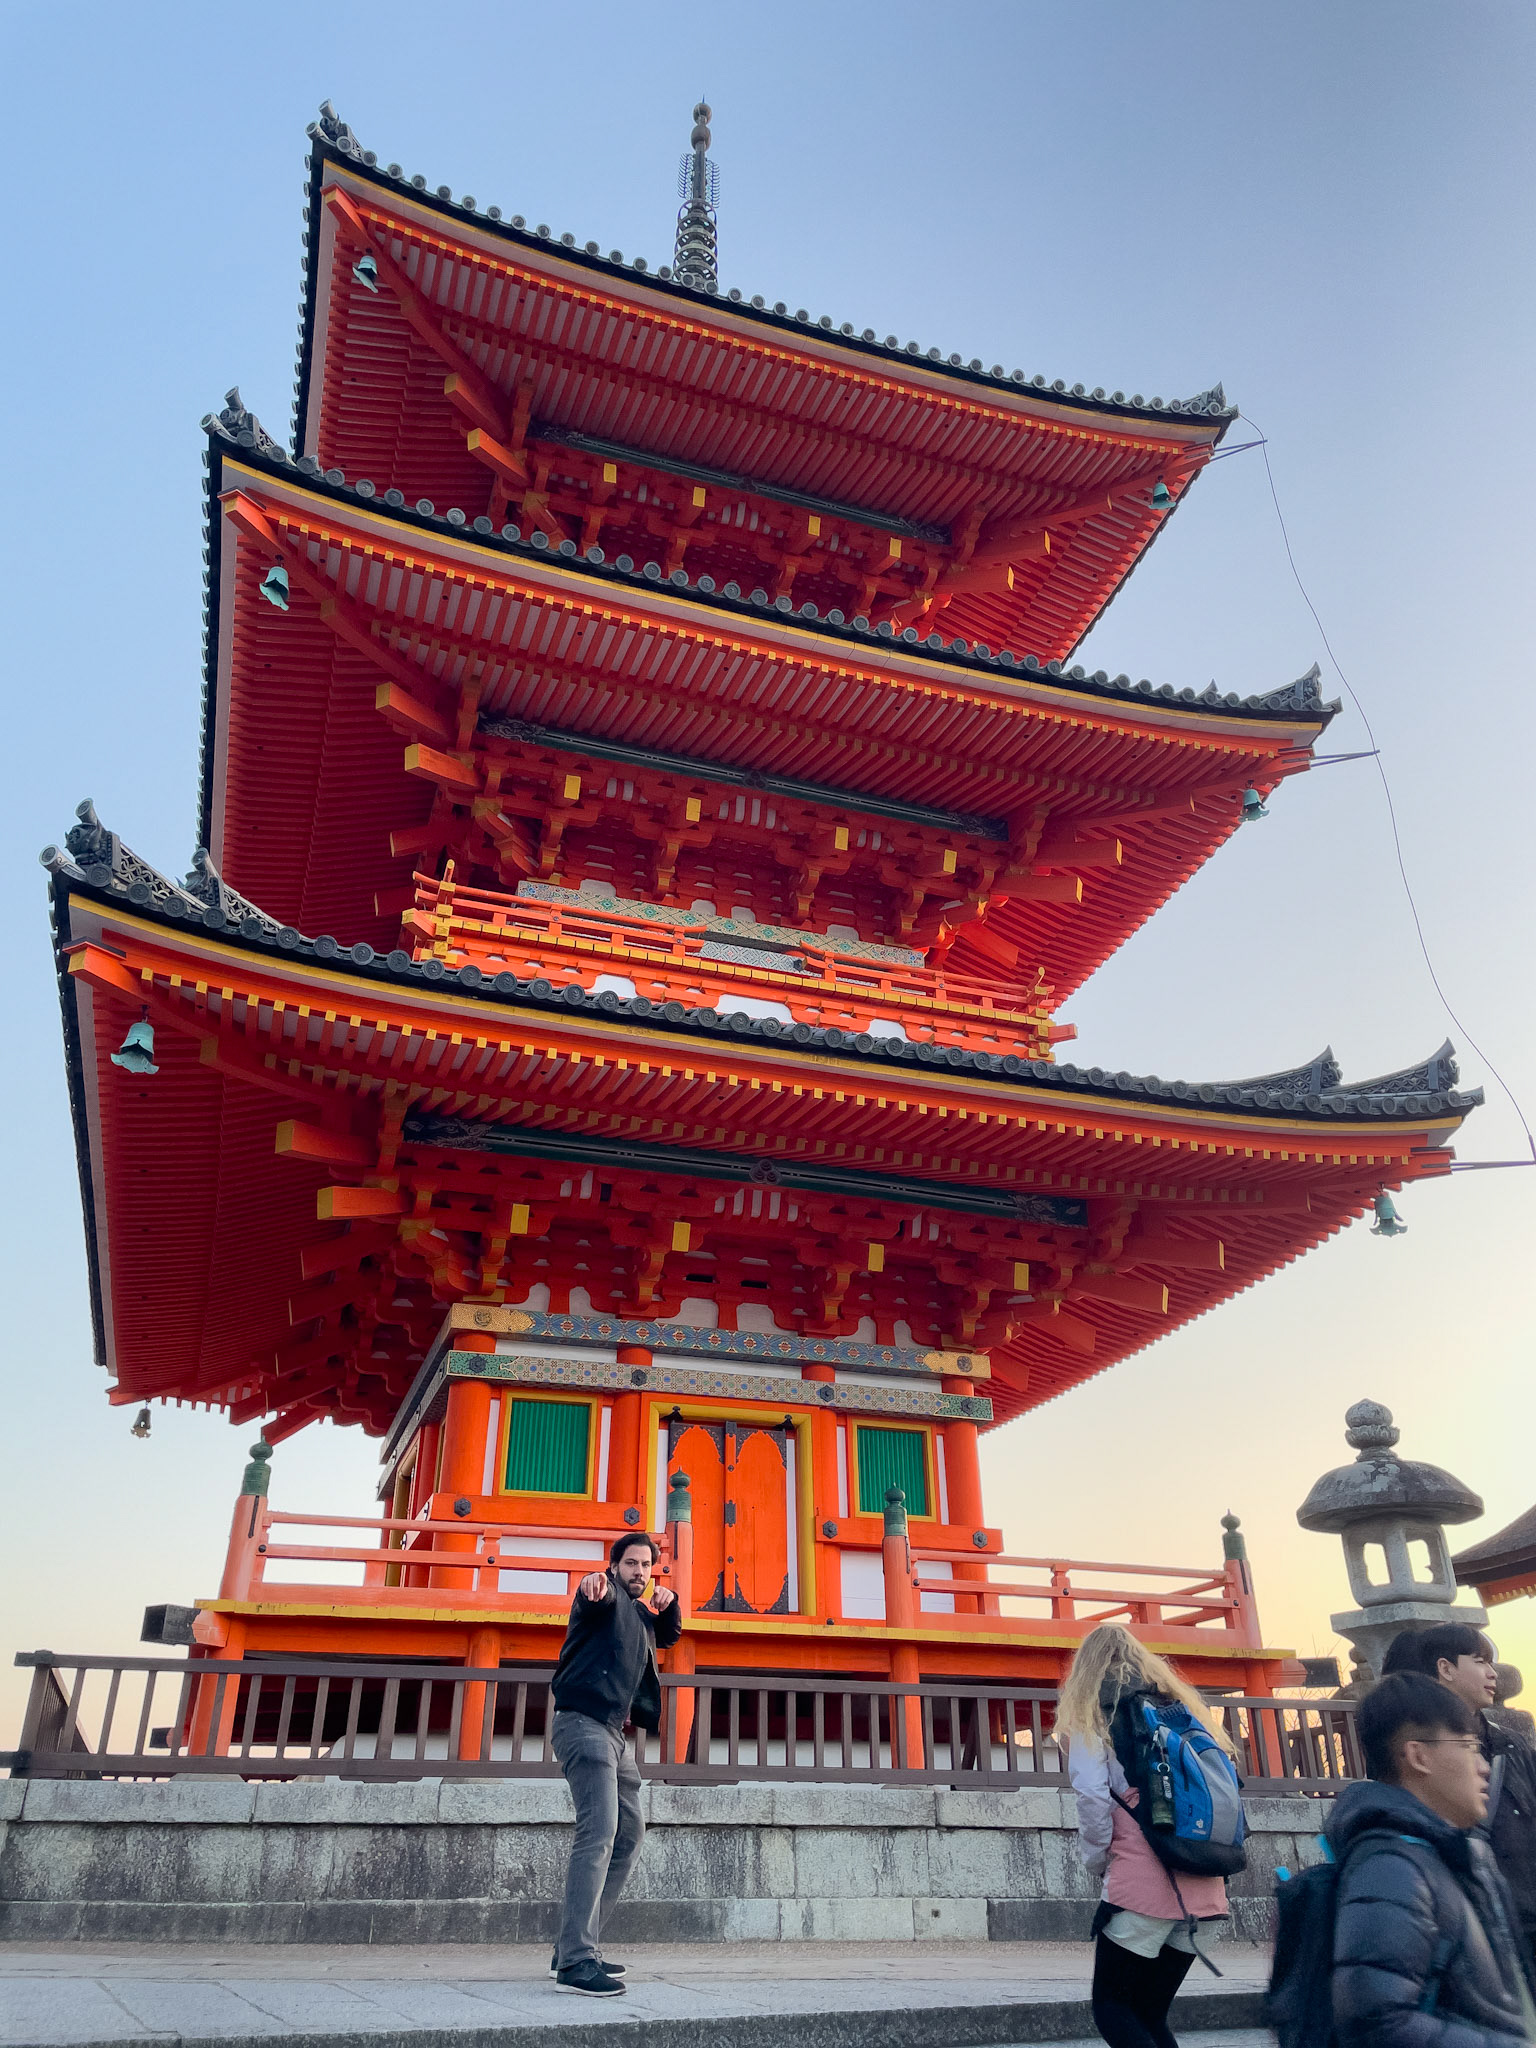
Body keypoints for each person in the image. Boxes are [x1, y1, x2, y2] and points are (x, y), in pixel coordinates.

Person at [1329, 1670, 1535, 2046]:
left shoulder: (1454, 1854)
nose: (1484, 1767)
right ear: (1418, 1756)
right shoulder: (1392, 1867)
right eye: (1470, 1747)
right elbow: (1377, 2021)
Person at [1057, 1623, 1235, 2048]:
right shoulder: (1178, 1710)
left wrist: (1097, 1859)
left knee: (1112, 2007)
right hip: (1206, 1875)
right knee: (1150, 2013)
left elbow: (1092, 1796)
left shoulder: (1095, 1714)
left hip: (1143, 1884)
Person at [548, 1530, 682, 1996]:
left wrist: (671, 1600)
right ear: (615, 1566)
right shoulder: (603, 1596)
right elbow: (593, 1595)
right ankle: (577, 1963)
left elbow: (668, 1633)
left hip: (614, 1735)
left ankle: (572, 1945)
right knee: (599, 1832)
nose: (639, 1572)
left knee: (629, 1833)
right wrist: (593, 1583)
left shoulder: (642, 1615)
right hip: (583, 1724)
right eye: (631, 1564)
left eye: (647, 1565)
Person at [1384, 1624, 1536, 1976]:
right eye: (1480, 1661)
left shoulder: (1512, 1744)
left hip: (1524, 1920)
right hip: (1467, 1926)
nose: (1492, 1672)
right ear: (1445, 1669)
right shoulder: (1420, 1752)